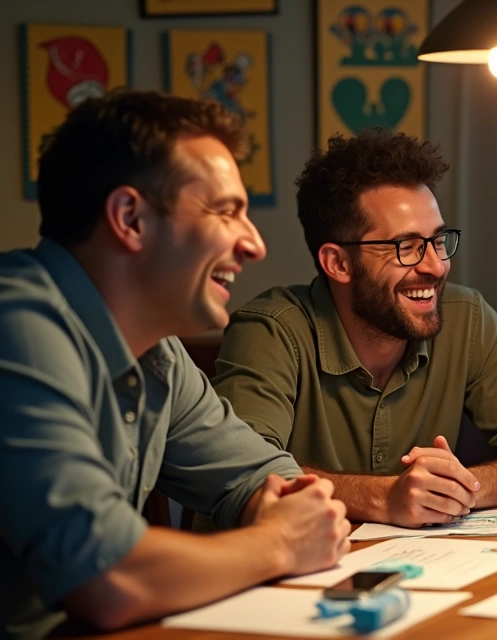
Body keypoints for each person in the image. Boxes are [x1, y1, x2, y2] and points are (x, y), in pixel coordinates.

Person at [0, 90, 350, 639]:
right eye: (226, 211)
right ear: (130, 218)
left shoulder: (157, 354)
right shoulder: (15, 326)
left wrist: (286, 511)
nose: (254, 244)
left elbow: (270, 479)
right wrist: (280, 541)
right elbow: (107, 579)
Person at [209, 129, 497, 529]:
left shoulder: (465, 316)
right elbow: (241, 476)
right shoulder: (271, 330)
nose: (436, 266)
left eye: (438, 241)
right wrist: (383, 497)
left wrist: (460, 489)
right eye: (405, 247)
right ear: (337, 263)